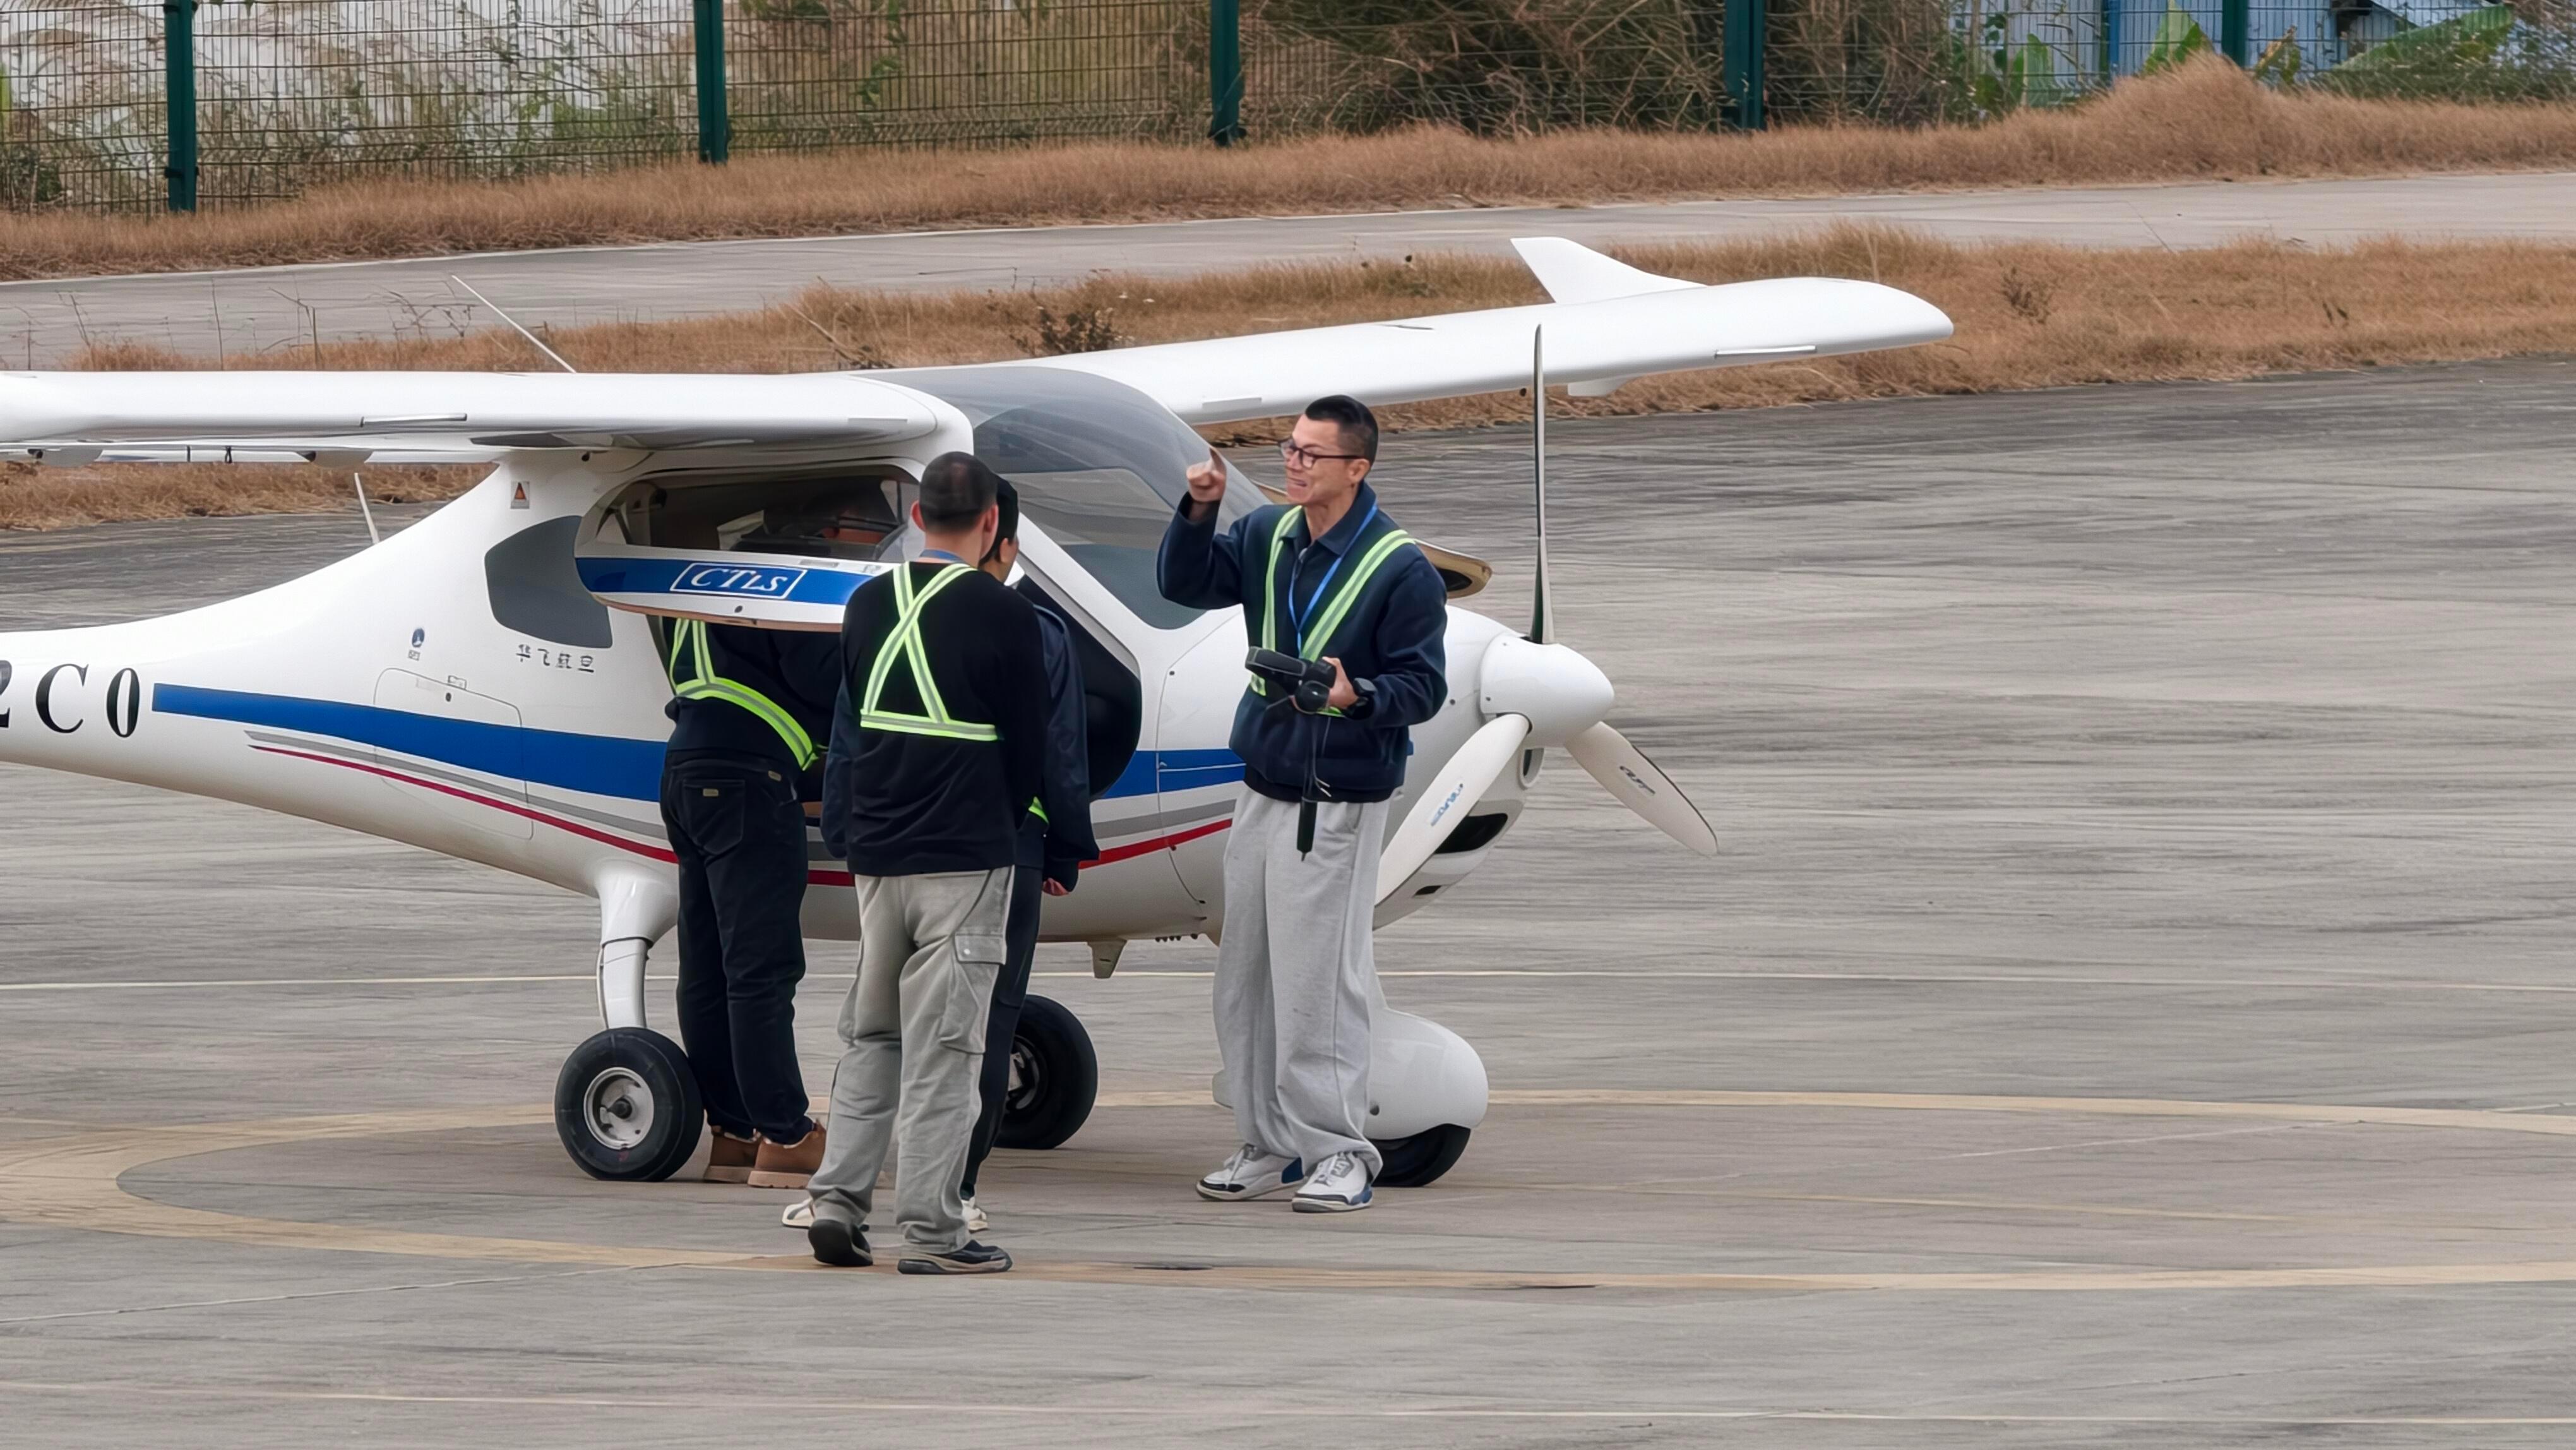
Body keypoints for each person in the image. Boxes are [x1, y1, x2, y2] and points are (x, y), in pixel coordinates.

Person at [1156, 395, 1446, 1214]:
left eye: (1312, 455)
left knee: (1319, 983)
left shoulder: (1401, 569)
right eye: (1290, 448)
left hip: (1337, 799)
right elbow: (1183, 584)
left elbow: (1424, 687)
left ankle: (1339, 1150)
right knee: (1243, 977)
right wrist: (1200, 510)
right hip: (1263, 783)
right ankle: (1268, 1141)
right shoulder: (1267, 535)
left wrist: (1359, 696)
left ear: (1357, 469)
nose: (1293, 463)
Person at [808, 452, 1048, 1274]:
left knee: (873, 1034)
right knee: (948, 1047)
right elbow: (1030, 747)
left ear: (916, 517)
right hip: (964, 856)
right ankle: (934, 1231)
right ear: (991, 522)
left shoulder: (867, 604)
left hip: (879, 858)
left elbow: (852, 726)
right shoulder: (1006, 614)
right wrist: (1000, 824)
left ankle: (838, 1201)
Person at [957, 479, 1099, 1233]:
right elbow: (1061, 752)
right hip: (1005, 849)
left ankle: (845, 1185)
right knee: (987, 1015)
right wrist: (1065, 847)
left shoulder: (883, 609)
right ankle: (956, 1185)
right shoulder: (1038, 630)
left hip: (902, 848)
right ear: (1003, 540)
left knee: (888, 1019)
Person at [659, 612, 838, 1191]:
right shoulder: (778, 584)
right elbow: (819, 676)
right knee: (761, 967)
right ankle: (786, 1135)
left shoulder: (696, 583)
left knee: (707, 966)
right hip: (749, 771)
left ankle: (734, 1133)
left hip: (686, 765)